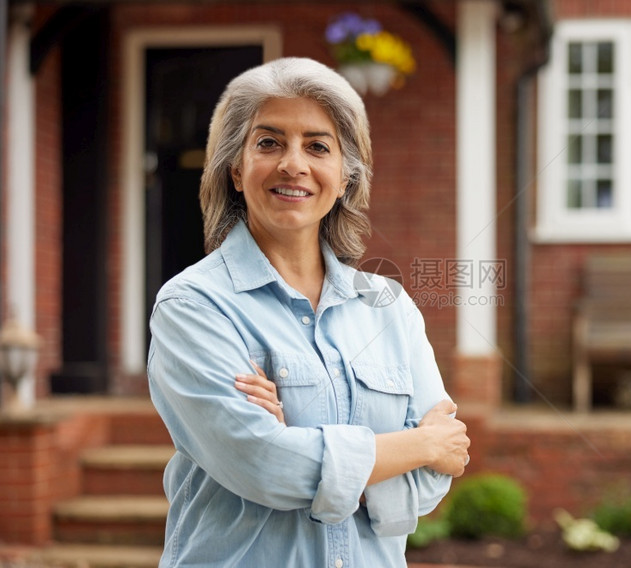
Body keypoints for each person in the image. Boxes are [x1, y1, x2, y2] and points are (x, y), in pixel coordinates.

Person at [147, 56, 470, 567]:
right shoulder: (193, 306)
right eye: (269, 142)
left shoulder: (389, 307)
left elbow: (431, 485)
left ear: (345, 178)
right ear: (236, 169)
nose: (293, 163)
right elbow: (264, 463)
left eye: (317, 146)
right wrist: (420, 445)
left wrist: (304, 452)